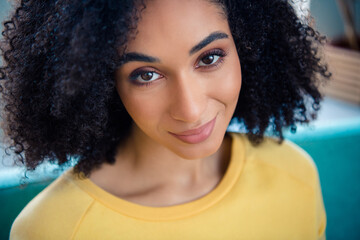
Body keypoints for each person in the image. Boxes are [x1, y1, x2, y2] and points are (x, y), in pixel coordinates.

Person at [0, 0, 329, 239]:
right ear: (100, 82)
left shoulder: (295, 177)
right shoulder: (52, 229)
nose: (190, 110)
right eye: (146, 75)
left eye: (209, 58)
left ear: (247, 45)